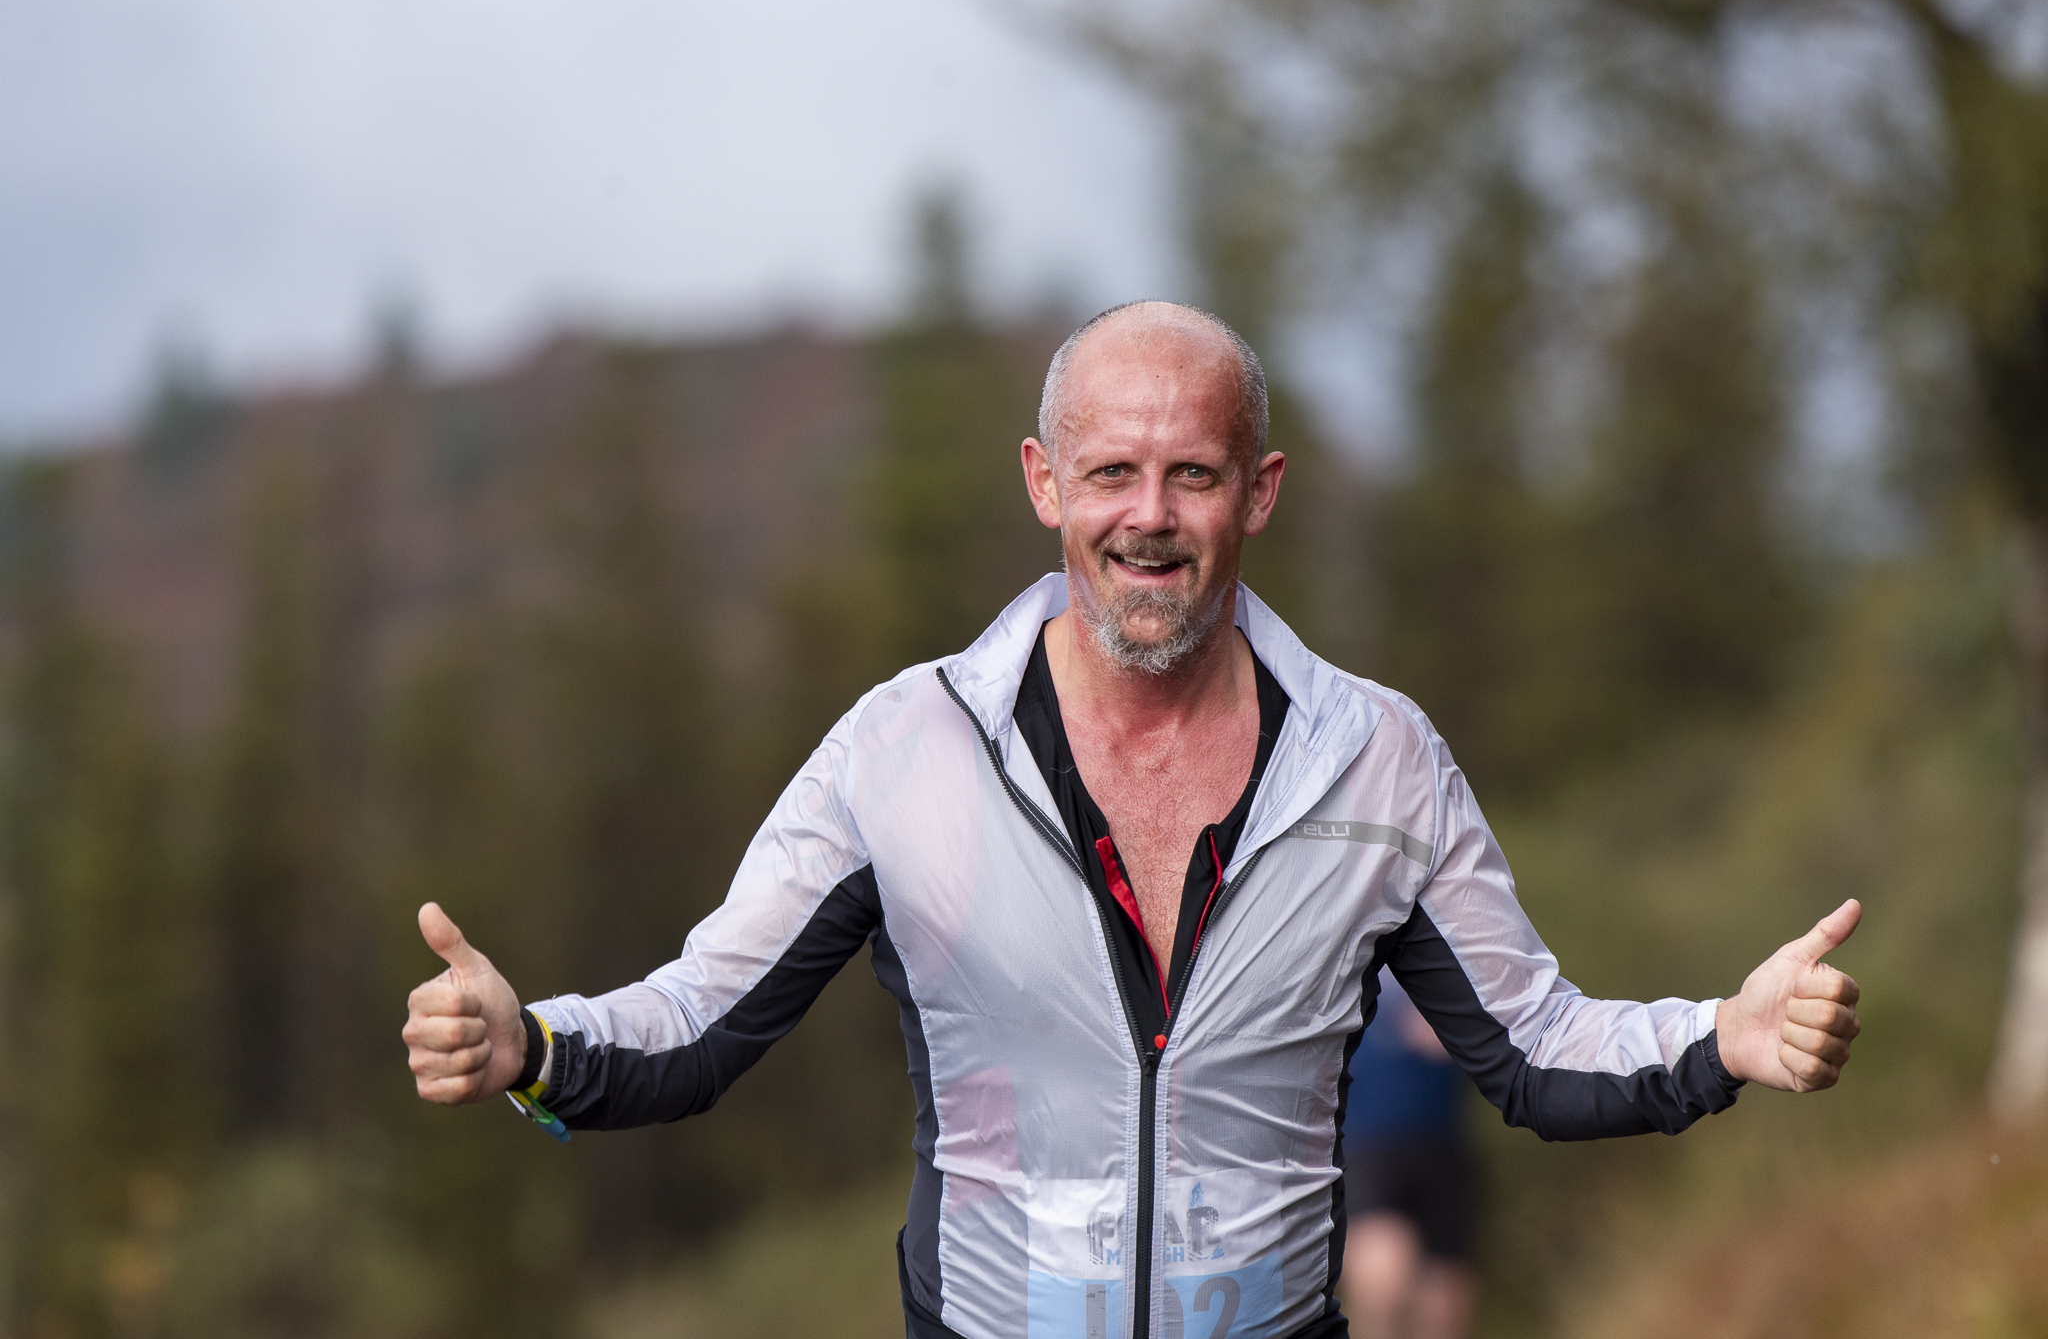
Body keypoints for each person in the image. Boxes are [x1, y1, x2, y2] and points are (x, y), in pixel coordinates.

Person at [403, 301, 1864, 1339]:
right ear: (1045, 482)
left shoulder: (1379, 761)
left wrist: (1723, 1034)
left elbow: (1534, 1045)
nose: (1147, 515)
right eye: (1110, 470)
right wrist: (533, 1043)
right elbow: (700, 1019)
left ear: (1258, 493)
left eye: (1192, 472)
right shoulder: (904, 750)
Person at [1339, 971, 1477, 1339]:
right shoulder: (1347, 958)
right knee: (1384, 1274)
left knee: (1443, 1304)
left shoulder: (1454, 956)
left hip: (1441, 1139)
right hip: (1368, 1140)